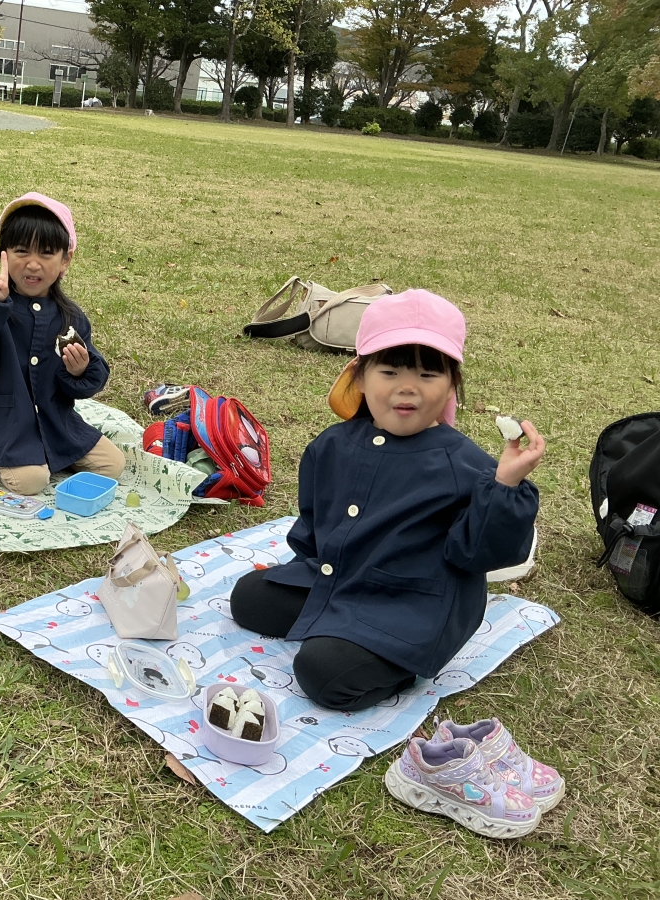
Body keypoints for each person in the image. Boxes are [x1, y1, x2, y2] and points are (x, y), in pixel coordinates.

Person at [230, 290, 543, 711]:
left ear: (452, 385)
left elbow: (482, 555)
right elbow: (314, 527)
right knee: (248, 598)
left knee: (322, 672)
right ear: (359, 376)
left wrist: (504, 486)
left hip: (411, 606)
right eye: (390, 371)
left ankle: (398, 665)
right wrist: (313, 567)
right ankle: (336, 625)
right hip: (340, 580)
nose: (407, 387)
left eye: (428, 375)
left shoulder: (465, 465)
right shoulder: (333, 445)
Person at [0, 193, 125, 496]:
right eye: (21, 251)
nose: (33, 264)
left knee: (113, 465)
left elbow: (86, 383)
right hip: (5, 424)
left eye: (47, 253)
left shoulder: (71, 317)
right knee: (31, 482)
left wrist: (79, 371)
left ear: (65, 260)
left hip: (56, 422)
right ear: (4, 254)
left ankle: (49, 454)